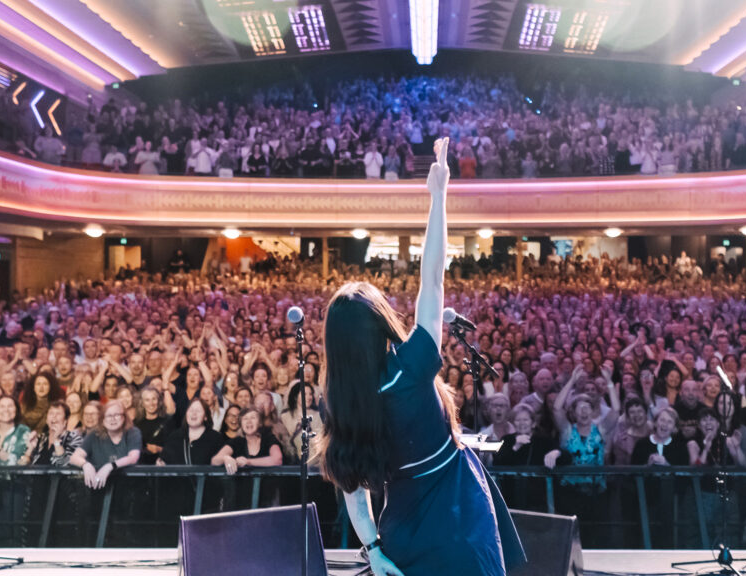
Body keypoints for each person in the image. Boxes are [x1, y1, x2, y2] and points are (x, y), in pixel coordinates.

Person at [317, 138, 523, 576]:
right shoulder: (410, 366)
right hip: (458, 514)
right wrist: (438, 196)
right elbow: (432, 279)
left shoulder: (340, 401)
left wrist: (372, 549)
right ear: (379, 324)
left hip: (402, 530)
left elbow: (354, 491)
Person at [69, 400, 141, 490]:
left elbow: (133, 457)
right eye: (109, 416)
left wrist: (110, 466)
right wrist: (86, 465)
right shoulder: (94, 434)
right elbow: (74, 457)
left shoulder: (133, 432)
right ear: (102, 420)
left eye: (117, 415)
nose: (113, 419)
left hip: (128, 487)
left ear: (124, 417)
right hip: (100, 488)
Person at [212, 407, 282, 473]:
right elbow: (214, 460)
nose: (249, 421)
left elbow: (277, 459)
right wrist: (225, 458)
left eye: (253, 418)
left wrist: (248, 462)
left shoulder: (268, 438)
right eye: (245, 419)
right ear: (241, 424)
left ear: (260, 423)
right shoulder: (236, 441)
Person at [21, 401, 82, 465]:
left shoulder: (74, 438)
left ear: (65, 420)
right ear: (47, 420)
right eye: (51, 413)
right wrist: (29, 450)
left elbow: (66, 466)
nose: (54, 416)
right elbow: (22, 466)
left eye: (58, 414)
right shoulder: (40, 438)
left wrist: (56, 441)